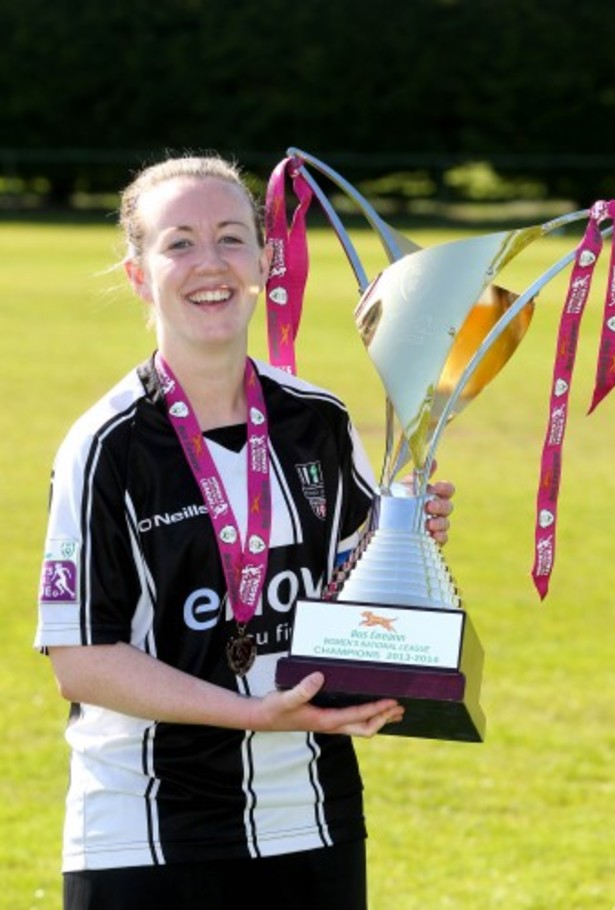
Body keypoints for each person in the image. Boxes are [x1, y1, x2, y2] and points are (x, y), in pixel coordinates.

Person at [35, 154, 455, 910]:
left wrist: (406, 541)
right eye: (179, 242)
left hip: (313, 816)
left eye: (231, 238)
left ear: (265, 259)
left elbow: (347, 595)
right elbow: (82, 661)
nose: (210, 263)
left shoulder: (316, 422)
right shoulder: (107, 447)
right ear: (138, 273)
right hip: (147, 828)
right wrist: (251, 713)